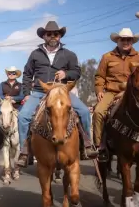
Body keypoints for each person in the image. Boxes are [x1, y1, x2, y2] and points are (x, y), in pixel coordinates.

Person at [17, 21, 96, 167]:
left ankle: (87, 145)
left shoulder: (69, 54)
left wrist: (66, 73)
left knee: (84, 111)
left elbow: (77, 72)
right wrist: (27, 94)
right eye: (49, 34)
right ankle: (24, 151)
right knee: (23, 116)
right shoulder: (35, 54)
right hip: (40, 92)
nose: (53, 36)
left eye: (56, 34)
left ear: (60, 36)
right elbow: (27, 75)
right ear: (44, 36)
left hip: (61, 92)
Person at [93, 28, 139, 161]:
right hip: (111, 91)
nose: (126, 42)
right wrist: (99, 91)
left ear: (132, 41)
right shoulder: (107, 57)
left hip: (132, 92)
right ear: (117, 40)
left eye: (128, 39)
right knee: (98, 112)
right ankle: (100, 146)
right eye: (122, 39)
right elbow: (99, 77)